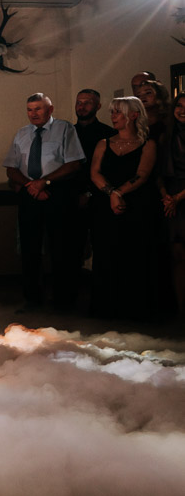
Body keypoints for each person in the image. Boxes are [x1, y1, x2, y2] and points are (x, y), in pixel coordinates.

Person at [3, 92, 85, 311]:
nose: (33, 114)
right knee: (29, 249)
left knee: (61, 248)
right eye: (30, 110)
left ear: (50, 109)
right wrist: (32, 186)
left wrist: (45, 182)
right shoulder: (22, 133)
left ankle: (63, 300)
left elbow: (73, 164)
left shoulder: (64, 129)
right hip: (30, 194)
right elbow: (11, 168)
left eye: (38, 109)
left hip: (57, 193)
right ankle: (32, 299)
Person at [89, 96, 158, 319]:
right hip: (105, 206)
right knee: (106, 253)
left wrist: (119, 193)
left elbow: (143, 174)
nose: (113, 116)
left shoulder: (147, 144)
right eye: (112, 112)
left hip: (136, 206)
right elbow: (95, 173)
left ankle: (134, 307)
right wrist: (112, 193)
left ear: (134, 115)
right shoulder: (103, 143)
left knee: (134, 255)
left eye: (118, 112)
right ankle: (106, 306)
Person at [71, 89, 115, 268]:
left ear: (98, 106)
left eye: (87, 102)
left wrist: (89, 193)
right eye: (79, 102)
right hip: (71, 198)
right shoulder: (67, 133)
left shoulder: (109, 134)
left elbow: (109, 170)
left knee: (103, 248)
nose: (81, 106)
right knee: (71, 249)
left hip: (100, 198)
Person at [157, 93, 185, 320]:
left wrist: (177, 198)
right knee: (177, 255)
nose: (182, 110)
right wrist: (166, 196)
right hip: (170, 197)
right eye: (179, 106)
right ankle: (181, 308)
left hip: (181, 196)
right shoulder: (166, 136)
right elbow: (157, 171)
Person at [136, 79, 170, 145]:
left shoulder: (169, 120)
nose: (142, 97)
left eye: (148, 93)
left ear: (159, 95)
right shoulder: (135, 121)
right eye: (138, 95)